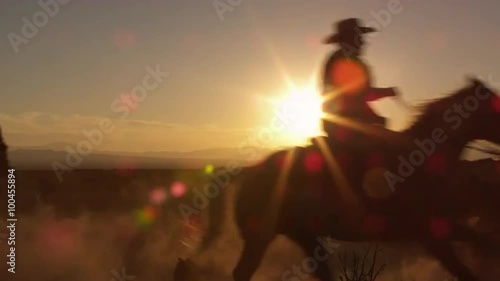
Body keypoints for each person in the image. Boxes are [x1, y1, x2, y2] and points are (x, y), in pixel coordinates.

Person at [321, 18, 399, 143]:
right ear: (348, 40)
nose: (362, 42)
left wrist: (374, 116)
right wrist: (386, 92)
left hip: (348, 124)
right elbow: (358, 95)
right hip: (345, 127)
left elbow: (360, 97)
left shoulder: (348, 61)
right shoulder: (342, 61)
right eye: (358, 38)